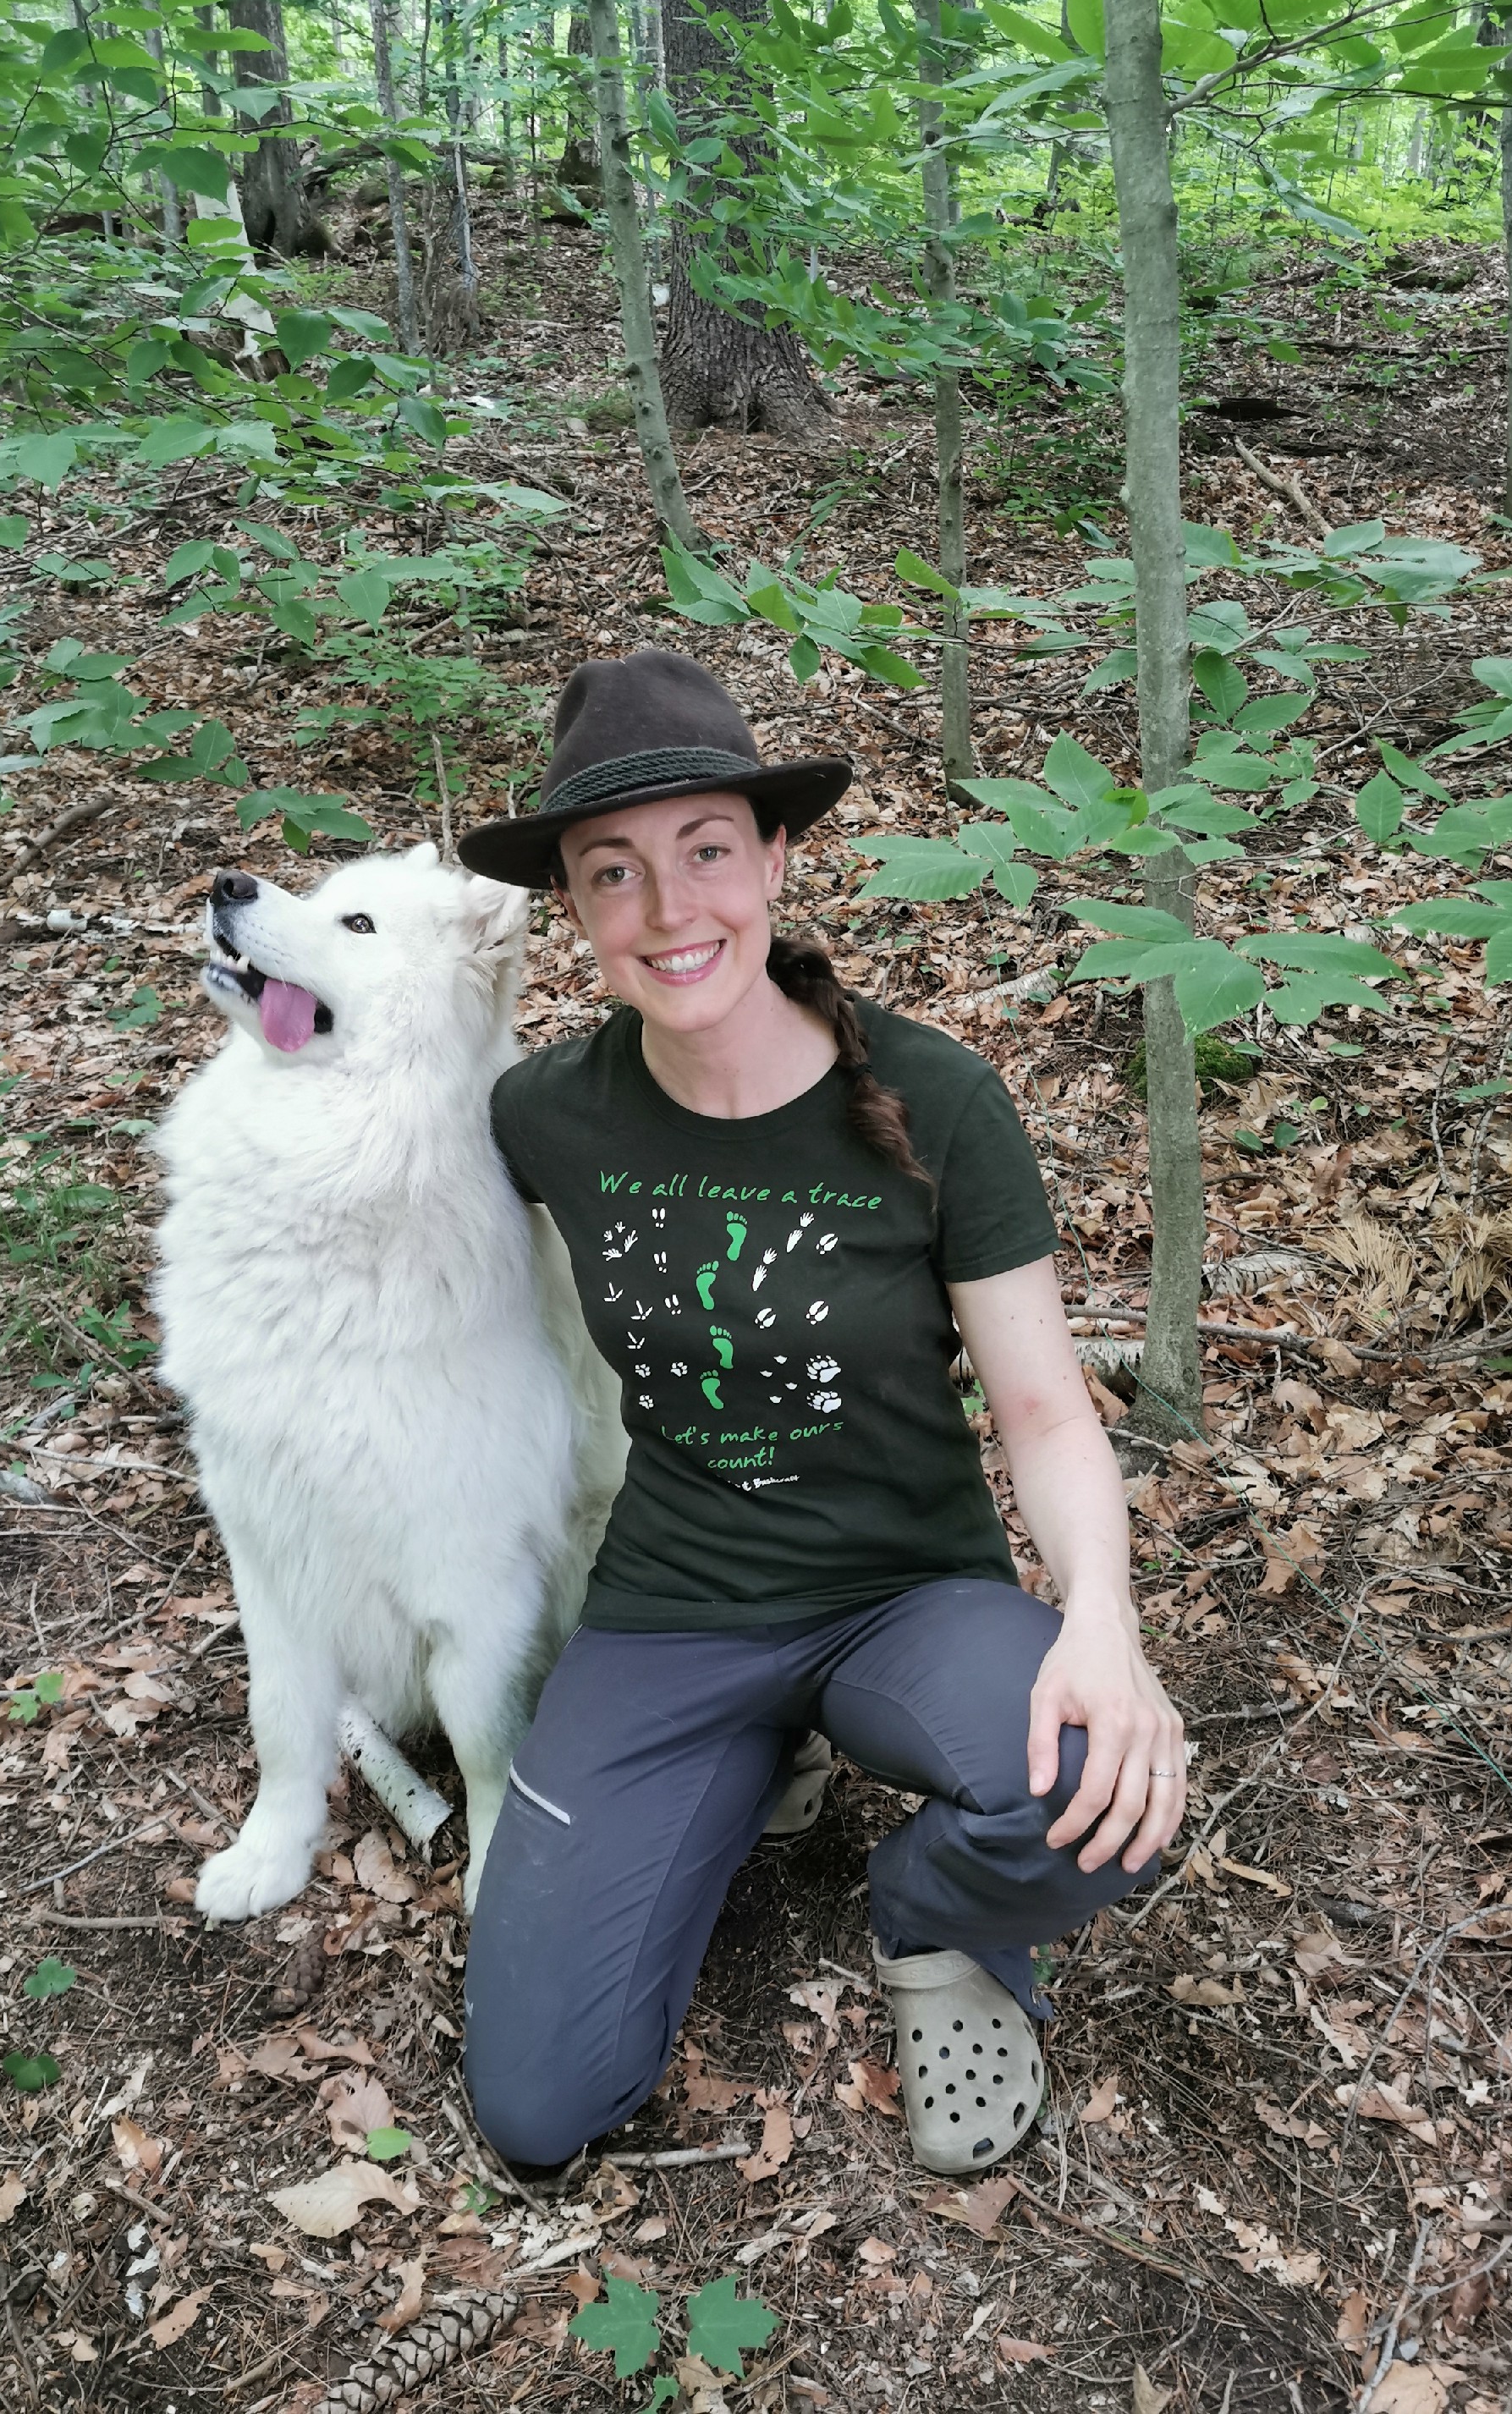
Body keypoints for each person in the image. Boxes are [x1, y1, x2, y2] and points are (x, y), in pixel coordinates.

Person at [456, 649, 1185, 2176]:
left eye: (706, 850)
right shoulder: (545, 1115)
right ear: (576, 911)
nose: (670, 911)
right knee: (537, 2104)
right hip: (672, 1612)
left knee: (1099, 1790)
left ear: (776, 857)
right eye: (615, 874)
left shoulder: (937, 1103)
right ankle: (750, 1760)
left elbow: (1047, 1410)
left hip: (902, 1597)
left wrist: (1102, 1617)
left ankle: (936, 1918)